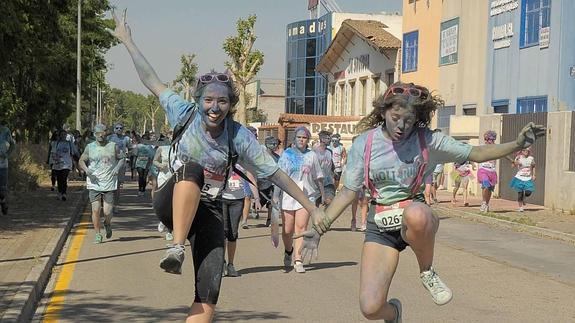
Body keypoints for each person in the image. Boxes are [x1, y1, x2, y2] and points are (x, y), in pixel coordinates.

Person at [110, 10, 325, 322]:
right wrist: (128, 41)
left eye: (222, 101)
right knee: (192, 170)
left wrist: (312, 206)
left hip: (209, 208)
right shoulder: (183, 113)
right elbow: (151, 80)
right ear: (198, 100)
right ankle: (176, 247)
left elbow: (276, 174)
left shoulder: (238, 136)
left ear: (231, 104)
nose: (214, 107)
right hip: (170, 201)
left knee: (209, 292)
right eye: (209, 100)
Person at [297, 82, 546, 322]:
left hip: (415, 215)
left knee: (416, 214)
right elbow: (348, 192)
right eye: (396, 117)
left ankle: (427, 271)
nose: (402, 126)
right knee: (370, 307)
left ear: (418, 118)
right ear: (383, 111)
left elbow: (476, 153)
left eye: (409, 120)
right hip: (381, 225)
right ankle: (394, 314)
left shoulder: (427, 139)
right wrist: (321, 228)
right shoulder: (365, 143)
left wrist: (517, 144)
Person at [274, 126, 325, 273]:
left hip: (307, 195)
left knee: (301, 228)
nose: (302, 140)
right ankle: (288, 251)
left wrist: (322, 193)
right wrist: (276, 196)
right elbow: (279, 177)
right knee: (287, 230)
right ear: (294, 139)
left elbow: (318, 176)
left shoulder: (312, 156)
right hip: (288, 195)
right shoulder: (286, 155)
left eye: (304, 138)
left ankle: (298, 259)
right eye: (299, 137)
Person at [79, 124, 124, 243]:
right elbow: (81, 160)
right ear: (94, 134)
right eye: (97, 133)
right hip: (94, 182)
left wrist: (117, 168)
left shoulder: (113, 146)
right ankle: (98, 234)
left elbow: (122, 158)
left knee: (108, 212)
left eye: (102, 133)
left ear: (106, 134)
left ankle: (107, 224)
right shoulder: (90, 147)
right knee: (95, 210)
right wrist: (86, 170)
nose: (100, 136)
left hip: (109, 182)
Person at [259, 136, 281, 227]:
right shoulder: (261, 156)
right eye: (273, 143)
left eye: (276, 144)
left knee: (273, 201)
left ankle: (270, 220)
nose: (275, 145)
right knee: (260, 202)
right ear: (267, 144)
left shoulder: (277, 157)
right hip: (261, 183)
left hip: (273, 183)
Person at [51, 129, 78, 201]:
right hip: (58, 164)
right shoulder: (56, 143)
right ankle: (60, 192)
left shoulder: (69, 143)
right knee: (59, 179)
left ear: (66, 136)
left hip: (67, 164)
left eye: (64, 135)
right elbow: (53, 153)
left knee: (64, 178)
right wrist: (55, 158)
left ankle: (64, 193)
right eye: (62, 135)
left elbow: (74, 152)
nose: (63, 136)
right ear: (59, 136)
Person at [477, 130, 498, 212]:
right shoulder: (481, 147)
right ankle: (483, 202)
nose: (489, 141)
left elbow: (505, 154)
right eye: (487, 139)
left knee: (490, 189)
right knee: (485, 186)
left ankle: (486, 204)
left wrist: (512, 161)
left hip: (492, 171)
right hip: (483, 170)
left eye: (492, 140)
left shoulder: (497, 148)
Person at [509, 148, 536, 212]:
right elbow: (512, 166)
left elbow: (534, 166)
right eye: (524, 150)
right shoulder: (518, 157)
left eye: (527, 150)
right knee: (520, 193)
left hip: (528, 178)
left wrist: (534, 175)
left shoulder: (531, 158)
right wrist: (516, 162)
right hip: (519, 178)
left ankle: (524, 198)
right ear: (521, 151)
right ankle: (520, 207)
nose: (525, 151)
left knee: (528, 192)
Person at [314, 130, 335, 206]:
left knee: (330, 203)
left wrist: (333, 175)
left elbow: (331, 166)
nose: (330, 140)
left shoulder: (330, 152)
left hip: (328, 183)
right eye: (328, 138)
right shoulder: (314, 153)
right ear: (322, 139)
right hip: (316, 184)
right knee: (315, 206)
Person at [0, 124, 15, 215]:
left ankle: (3, 201)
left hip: (2, 165)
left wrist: (7, 155)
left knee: (2, 187)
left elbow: (13, 145)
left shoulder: (5, 131)